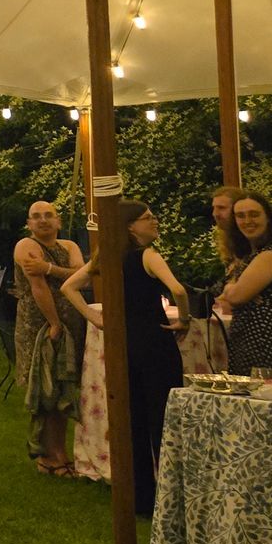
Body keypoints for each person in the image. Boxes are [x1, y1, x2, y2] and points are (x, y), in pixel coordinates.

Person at [61, 201, 189, 513]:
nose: (155, 221)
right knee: (163, 418)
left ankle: (141, 498)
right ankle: (172, 498)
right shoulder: (148, 256)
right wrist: (183, 320)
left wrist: (93, 316)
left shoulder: (108, 257)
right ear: (130, 226)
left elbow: (69, 287)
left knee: (133, 420)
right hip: (156, 344)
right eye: (148, 218)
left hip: (124, 345)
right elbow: (179, 291)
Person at [12, 201, 85, 477]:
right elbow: (38, 287)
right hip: (40, 325)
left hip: (72, 323)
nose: (43, 221)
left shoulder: (70, 247)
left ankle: (59, 452)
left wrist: (50, 268)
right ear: (29, 223)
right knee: (46, 388)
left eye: (48, 216)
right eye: (36, 217)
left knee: (64, 386)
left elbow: (84, 276)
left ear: (59, 220)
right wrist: (54, 323)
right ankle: (50, 456)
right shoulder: (25, 246)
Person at [219, 190, 272, 374]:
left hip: (269, 337)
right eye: (240, 216)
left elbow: (236, 296)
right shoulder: (252, 255)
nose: (247, 221)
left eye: (254, 214)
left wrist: (230, 287)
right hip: (250, 337)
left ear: (268, 219)